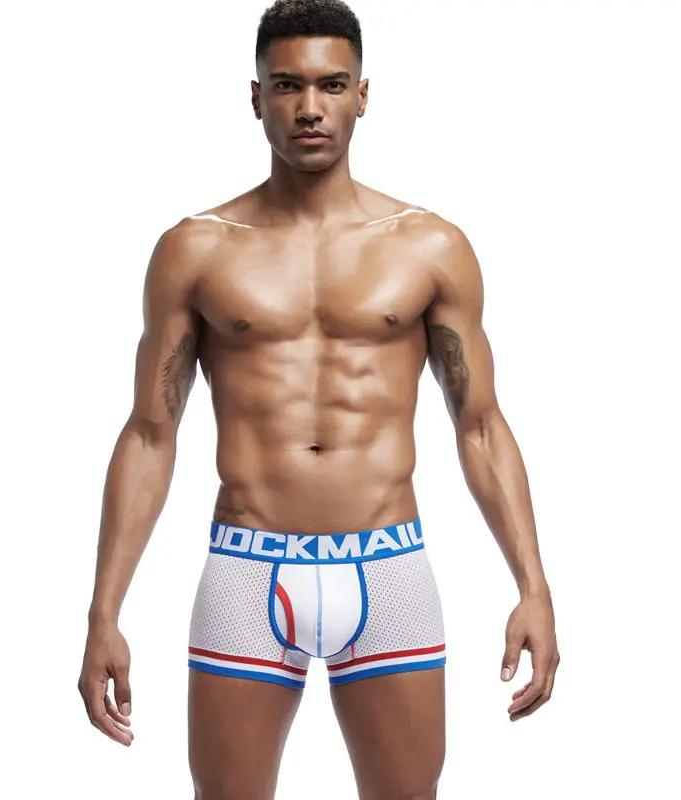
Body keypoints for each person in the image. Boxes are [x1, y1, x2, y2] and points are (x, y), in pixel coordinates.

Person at [77, 0, 560, 797]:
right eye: (288, 85)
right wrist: (104, 612)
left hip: (388, 568)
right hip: (248, 570)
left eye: (332, 85)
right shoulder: (195, 251)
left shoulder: (429, 247)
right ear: (256, 96)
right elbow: (150, 434)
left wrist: (533, 588)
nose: (310, 107)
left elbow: (479, 426)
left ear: (362, 95)